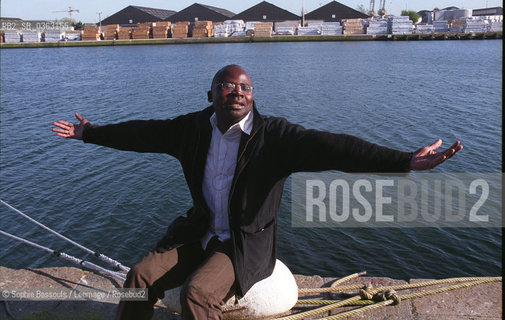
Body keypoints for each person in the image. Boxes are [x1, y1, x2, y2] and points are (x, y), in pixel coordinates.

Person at [52, 64, 462, 320]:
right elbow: (143, 133)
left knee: (198, 294)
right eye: (227, 86)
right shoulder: (191, 131)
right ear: (211, 95)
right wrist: (90, 133)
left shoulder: (276, 138)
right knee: (139, 276)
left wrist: (404, 160)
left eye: (245, 88)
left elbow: (338, 147)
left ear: (253, 97)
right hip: (200, 232)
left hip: (244, 244)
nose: (237, 92)